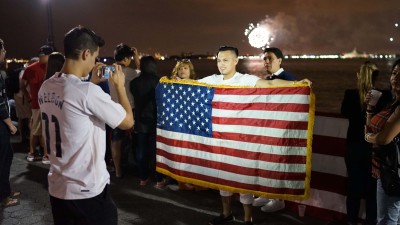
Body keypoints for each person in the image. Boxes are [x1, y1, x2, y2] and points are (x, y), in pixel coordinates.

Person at [198, 46, 311, 225]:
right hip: (220, 139)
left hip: (242, 140)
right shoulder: (212, 80)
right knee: (223, 180)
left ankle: (247, 219)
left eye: (225, 60)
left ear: (235, 61)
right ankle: (227, 214)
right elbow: (188, 86)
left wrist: (297, 84)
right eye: (219, 60)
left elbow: (270, 84)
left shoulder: (245, 79)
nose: (221, 64)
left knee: (244, 181)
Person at [38, 26, 134, 225]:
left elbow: (73, 108)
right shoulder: (87, 92)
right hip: (87, 191)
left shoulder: (46, 86)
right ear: (85, 53)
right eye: (94, 58)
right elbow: (127, 122)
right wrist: (120, 87)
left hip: (58, 189)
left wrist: (91, 82)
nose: (94, 63)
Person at [341, 61, 391, 225]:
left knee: (353, 189)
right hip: (373, 148)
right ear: (376, 77)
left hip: (353, 148)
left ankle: (351, 221)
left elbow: (344, 113)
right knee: (372, 192)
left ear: (358, 76)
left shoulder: (350, 95)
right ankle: (370, 221)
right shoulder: (384, 96)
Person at [253, 47, 296, 212]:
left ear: (280, 60)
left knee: (278, 164)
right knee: (266, 162)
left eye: (270, 58)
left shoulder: (288, 78)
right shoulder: (267, 79)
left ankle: (279, 199)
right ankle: (266, 192)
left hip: (281, 129)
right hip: (267, 127)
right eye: (265, 59)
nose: (266, 62)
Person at [364, 59, 400, 225]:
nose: (396, 77)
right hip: (384, 170)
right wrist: (370, 108)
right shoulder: (392, 102)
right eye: (394, 73)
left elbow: (384, 138)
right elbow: (372, 128)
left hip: (394, 173)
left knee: (387, 220)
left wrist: (368, 138)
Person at [130, 56, 166, 188]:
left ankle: (143, 178)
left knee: (141, 151)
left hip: (140, 120)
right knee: (155, 152)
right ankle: (158, 179)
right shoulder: (158, 82)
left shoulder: (134, 83)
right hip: (155, 120)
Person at [109, 43, 139, 178]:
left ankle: (117, 170)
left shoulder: (108, 70)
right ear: (127, 58)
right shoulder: (129, 72)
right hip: (128, 109)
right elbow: (142, 72)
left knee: (115, 141)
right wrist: (137, 58)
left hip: (112, 109)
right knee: (132, 138)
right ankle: (135, 167)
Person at [21, 45, 54, 164]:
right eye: (40, 55)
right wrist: (29, 99)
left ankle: (46, 154)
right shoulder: (30, 68)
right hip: (37, 104)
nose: (41, 57)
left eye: (43, 55)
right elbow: (22, 86)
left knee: (46, 130)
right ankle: (32, 152)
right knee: (36, 130)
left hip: (51, 104)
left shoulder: (54, 68)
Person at [0, 38, 19, 208]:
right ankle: (3, 197)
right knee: (3, 160)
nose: (5, 53)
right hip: (1, 126)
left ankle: (6, 190)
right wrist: (10, 124)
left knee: (8, 156)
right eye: (3, 50)